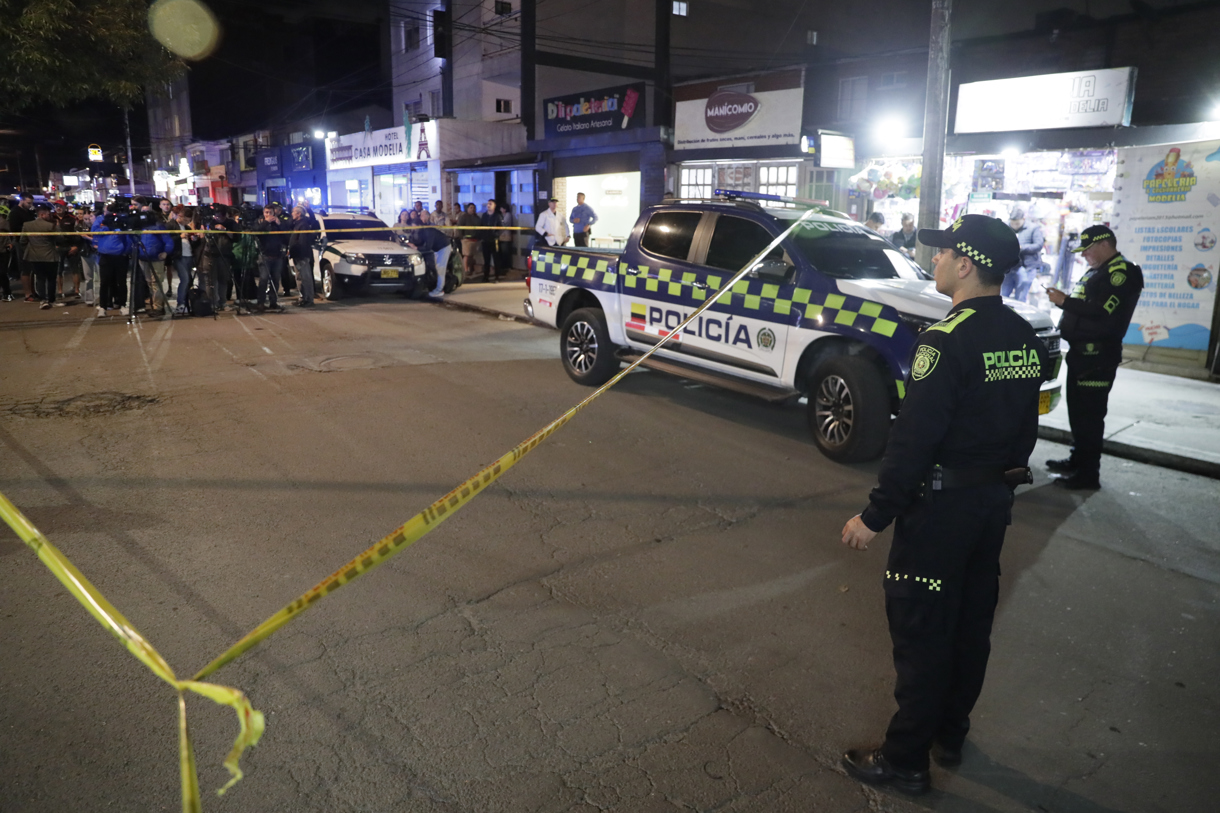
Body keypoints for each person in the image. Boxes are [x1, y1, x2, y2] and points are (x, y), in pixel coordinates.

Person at [839, 214, 1048, 795]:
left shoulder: (945, 341)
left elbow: (913, 442)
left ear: (966, 264)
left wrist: (874, 515)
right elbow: (1025, 429)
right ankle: (949, 733)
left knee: (923, 630)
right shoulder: (1021, 335)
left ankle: (905, 760)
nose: (932, 261)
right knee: (968, 625)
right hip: (989, 506)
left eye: (941, 254)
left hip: (940, 513)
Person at [1045, 225, 1144, 489]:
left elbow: (1101, 312)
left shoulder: (1122, 273)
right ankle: (1077, 461)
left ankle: (1089, 475)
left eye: (1088, 249)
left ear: (1104, 244)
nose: (1085, 254)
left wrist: (1064, 301)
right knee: (1078, 414)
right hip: (1081, 355)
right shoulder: (1099, 271)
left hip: (1097, 358)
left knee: (1089, 416)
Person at [92, 203, 131, 316]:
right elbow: (94, 232)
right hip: (105, 256)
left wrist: (125, 251)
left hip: (120, 256)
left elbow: (128, 236)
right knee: (104, 282)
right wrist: (106, 228)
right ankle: (103, 307)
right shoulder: (101, 220)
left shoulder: (123, 220)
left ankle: (122, 305)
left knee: (121, 282)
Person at [20, 205, 60, 309]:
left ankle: (43, 300)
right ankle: (52, 300)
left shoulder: (27, 225)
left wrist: (31, 249)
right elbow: (60, 238)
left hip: (35, 256)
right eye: (48, 214)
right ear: (42, 214)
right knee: (51, 279)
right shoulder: (50, 226)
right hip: (50, 255)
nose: (49, 215)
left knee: (40, 279)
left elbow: (23, 241)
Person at [1000, 209, 1044, 303]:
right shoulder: (1006, 227)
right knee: (1003, 295)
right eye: (1012, 223)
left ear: (1023, 219)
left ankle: (1019, 316)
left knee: (1021, 297)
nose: (1014, 226)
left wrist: (1021, 247)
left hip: (1026, 267)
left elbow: (1038, 245)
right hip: (1009, 267)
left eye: (1017, 223)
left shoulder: (1033, 228)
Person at [251, 205, 289, 313]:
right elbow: (256, 231)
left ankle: (273, 302)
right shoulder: (260, 222)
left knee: (276, 280)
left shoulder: (280, 222)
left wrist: (279, 224)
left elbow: (287, 235)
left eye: (270, 212)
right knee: (263, 280)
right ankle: (261, 303)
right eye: (266, 212)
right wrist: (266, 222)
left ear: (275, 213)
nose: (268, 214)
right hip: (265, 255)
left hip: (277, 255)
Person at [407, 210, 451, 300]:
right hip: (437, 249)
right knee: (437, 268)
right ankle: (436, 287)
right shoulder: (421, 231)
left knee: (440, 269)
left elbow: (428, 247)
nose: (413, 229)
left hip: (443, 247)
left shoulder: (428, 231)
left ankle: (439, 290)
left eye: (414, 227)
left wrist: (416, 248)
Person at [137, 210, 174, 317]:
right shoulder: (142, 227)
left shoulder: (159, 227)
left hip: (156, 257)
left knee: (156, 283)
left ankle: (158, 307)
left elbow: (168, 241)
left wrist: (166, 252)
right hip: (144, 257)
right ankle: (156, 305)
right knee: (150, 283)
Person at [289, 205, 318, 307]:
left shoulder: (303, 225)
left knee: (305, 278)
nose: (292, 214)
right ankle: (302, 298)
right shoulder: (296, 224)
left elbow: (302, 241)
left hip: (302, 255)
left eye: (293, 212)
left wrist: (299, 253)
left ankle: (309, 299)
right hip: (297, 255)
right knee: (299, 278)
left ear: (299, 214)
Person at [10, 194, 37, 301]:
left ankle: (33, 291)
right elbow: (15, 228)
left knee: (32, 268)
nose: (30, 205)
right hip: (21, 243)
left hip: (31, 243)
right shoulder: (15, 212)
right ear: (21, 200)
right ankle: (27, 294)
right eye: (28, 203)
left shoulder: (29, 212)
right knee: (25, 268)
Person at [457, 202, 480, 281]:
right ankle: (465, 270)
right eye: (471, 208)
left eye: (474, 208)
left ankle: (470, 269)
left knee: (471, 255)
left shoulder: (477, 218)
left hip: (475, 239)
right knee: (466, 255)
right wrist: (462, 237)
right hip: (466, 239)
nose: (472, 209)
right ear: (467, 209)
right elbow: (459, 227)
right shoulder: (464, 217)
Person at [479, 199, 501, 282]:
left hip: (494, 240)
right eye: (488, 204)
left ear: (494, 206)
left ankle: (497, 277)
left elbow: (501, 227)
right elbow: (481, 227)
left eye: (490, 204)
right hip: (485, 240)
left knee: (496, 259)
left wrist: (496, 235)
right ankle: (486, 277)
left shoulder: (497, 216)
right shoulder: (484, 215)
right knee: (486, 260)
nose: (488, 205)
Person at [0, 204, 14, 301]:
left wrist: (10, 244)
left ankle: (7, 293)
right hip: (4, 249)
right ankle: (6, 293)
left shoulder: (4, 223)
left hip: (4, 249)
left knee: (2, 272)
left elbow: (11, 234)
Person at [498, 203, 515, 276]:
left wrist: (500, 222)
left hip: (506, 236)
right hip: (501, 236)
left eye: (501, 208)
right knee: (502, 252)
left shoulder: (508, 214)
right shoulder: (501, 215)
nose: (500, 209)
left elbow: (504, 223)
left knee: (506, 252)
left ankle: (507, 266)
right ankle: (503, 267)